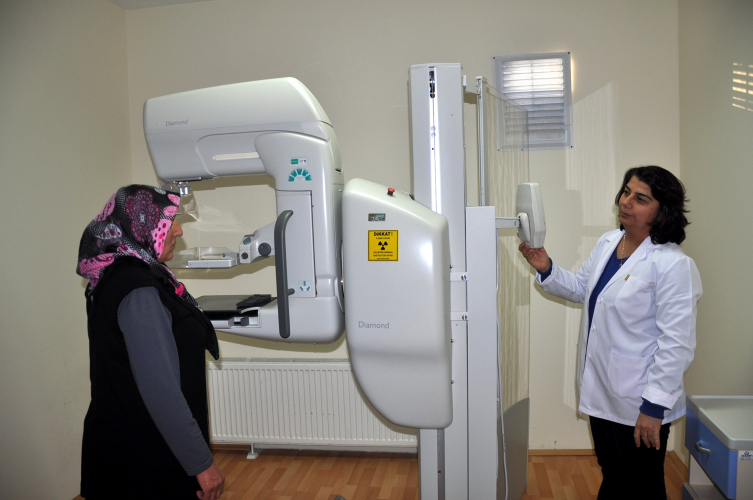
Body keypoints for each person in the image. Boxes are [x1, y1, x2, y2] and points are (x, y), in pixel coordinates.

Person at [518, 166, 702, 500]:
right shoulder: (609, 242)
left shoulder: (673, 264)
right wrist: (546, 266)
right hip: (602, 389)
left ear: (662, 211)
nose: (626, 201)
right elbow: (582, 288)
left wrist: (653, 408)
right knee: (614, 474)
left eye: (641, 198)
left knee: (643, 485)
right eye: (626, 192)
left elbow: (677, 344)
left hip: (640, 399)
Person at [76, 185, 225, 500]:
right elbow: (161, 389)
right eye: (169, 222)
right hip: (143, 463)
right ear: (142, 228)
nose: (179, 230)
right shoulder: (138, 289)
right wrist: (201, 463)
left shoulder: (118, 276)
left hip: (134, 451)